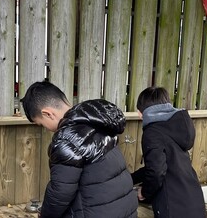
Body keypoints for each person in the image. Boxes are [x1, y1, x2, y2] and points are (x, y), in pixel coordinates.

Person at [20, 81, 138, 218]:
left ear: (47, 114)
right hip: (124, 208)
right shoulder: (96, 120)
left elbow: (60, 193)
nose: (46, 129)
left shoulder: (67, 139)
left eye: (41, 124)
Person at [130, 87, 205, 218]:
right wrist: (129, 179)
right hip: (194, 201)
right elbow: (165, 165)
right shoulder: (174, 127)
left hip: (174, 207)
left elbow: (156, 171)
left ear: (140, 112)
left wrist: (144, 192)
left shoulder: (152, 132)